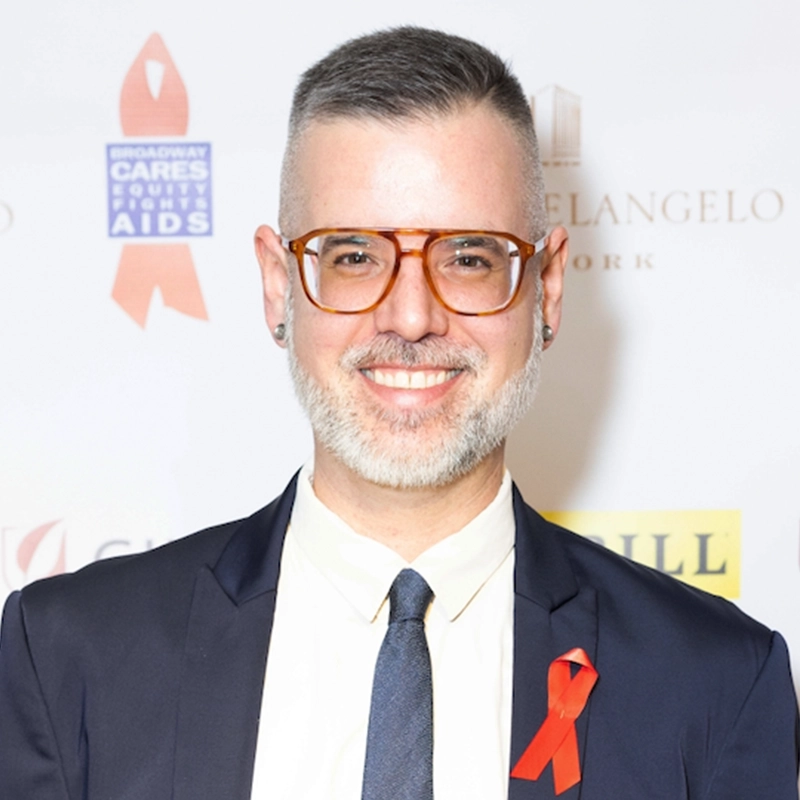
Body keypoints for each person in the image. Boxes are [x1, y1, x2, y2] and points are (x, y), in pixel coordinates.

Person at [1, 26, 798, 800]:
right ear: (278, 287)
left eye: (469, 257)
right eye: (353, 256)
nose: (412, 318)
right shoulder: (70, 657)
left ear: (547, 289)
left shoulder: (715, 683)